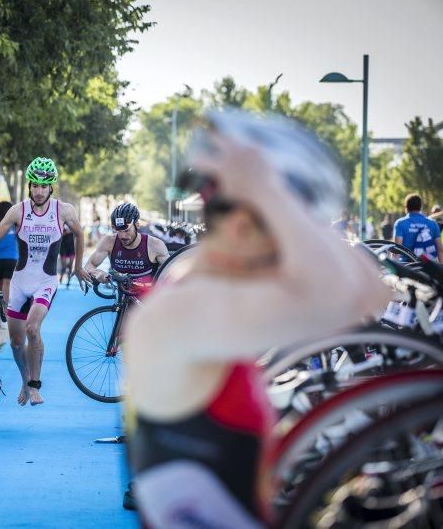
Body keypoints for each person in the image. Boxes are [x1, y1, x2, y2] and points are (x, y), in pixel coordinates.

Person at [124, 111, 390, 527]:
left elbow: (367, 289)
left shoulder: (194, 289)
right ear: (243, 225)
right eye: (280, 236)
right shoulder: (191, 309)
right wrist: (267, 188)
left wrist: (266, 191)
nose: (284, 257)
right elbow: (359, 293)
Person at [0, 157, 87, 406]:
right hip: (20, 283)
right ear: (29, 186)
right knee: (15, 341)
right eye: (35, 186)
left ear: (51, 187)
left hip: (46, 280)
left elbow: (79, 234)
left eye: (44, 186)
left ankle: (34, 385)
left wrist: (77, 267)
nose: (39, 191)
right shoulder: (18, 211)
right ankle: (24, 380)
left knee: (33, 328)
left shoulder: (64, 210)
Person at [84, 202, 169, 295]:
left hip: (148, 300)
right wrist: (97, 273)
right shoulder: (109, 241)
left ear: (137, 225)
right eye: (118, 231)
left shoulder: (154, 244)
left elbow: (172, 273)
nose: (122, 236)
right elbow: (89, 266)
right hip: (122, 298)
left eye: (126, 230)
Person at [393, 193, 443, 262]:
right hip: (428, 267)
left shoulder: (400, 223)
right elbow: (440, 249)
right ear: (420, 207)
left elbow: (397, 251)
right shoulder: (433, 223)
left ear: (406, 208)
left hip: (407, 267)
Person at [59, 223, 76, 287]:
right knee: (64, 266)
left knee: (70, 266)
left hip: (71, 247)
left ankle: (68, 281)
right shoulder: (61, 223)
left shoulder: (73, 223)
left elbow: (77, 232)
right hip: (63, 247)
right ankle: (61, 278)